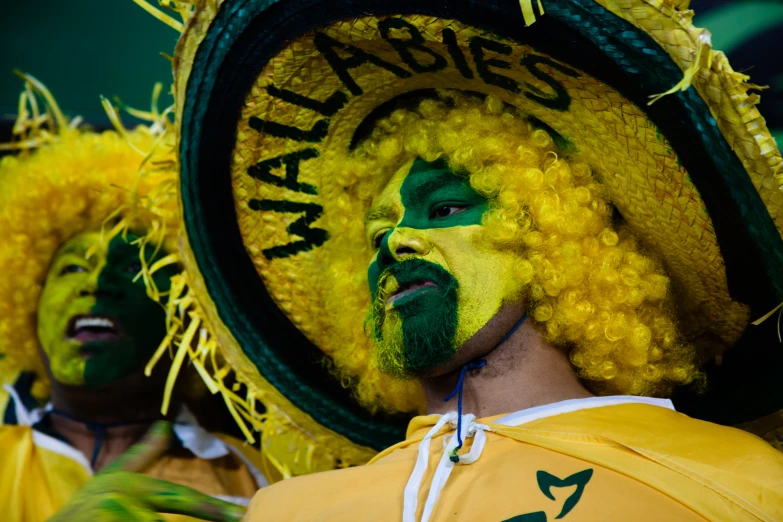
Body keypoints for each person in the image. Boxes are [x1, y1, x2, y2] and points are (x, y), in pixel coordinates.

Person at [53, 0, 783, 520]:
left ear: (563, 239)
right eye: (373, 235)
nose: (393, 245)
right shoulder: (287, 511)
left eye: (443, 209)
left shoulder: (736, 486)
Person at [0, 77, 265, 521]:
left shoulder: (256, 478)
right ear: (28, 302)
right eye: (72, 268)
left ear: (188, 311)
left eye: (133, 268)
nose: (97, 284)